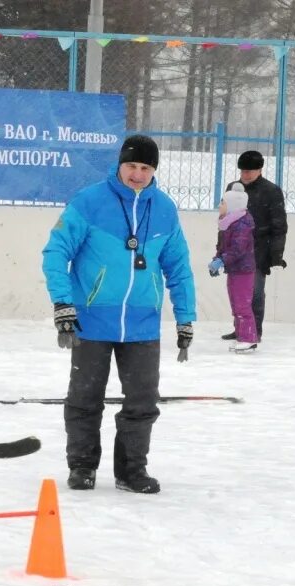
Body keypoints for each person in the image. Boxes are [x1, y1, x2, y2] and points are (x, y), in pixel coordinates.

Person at [42, 134, 196, 495]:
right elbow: (55, 252)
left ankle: (131, 470)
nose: (138, 174)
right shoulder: (90, 201)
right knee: (84, 398)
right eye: (132, 166)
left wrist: (185, 316)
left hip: (143, 323)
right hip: (92, 319)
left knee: (143, 402)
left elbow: (179, 267)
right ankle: (82, 466)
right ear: (119, 165)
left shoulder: (164, 209)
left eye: (146, 168)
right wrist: (63, 302)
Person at [222, 151, 288, 342]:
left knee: (255, 293)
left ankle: (254, 331)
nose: (245, 175)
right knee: (237, 293)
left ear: (260, 169)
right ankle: (240, 328)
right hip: (236, 250)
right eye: (242, 171)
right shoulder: (233, 189)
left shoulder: (271, 191)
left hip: (260, 250)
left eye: (249, 171)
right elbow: (226, 220)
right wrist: (222, 247)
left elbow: (279, 226)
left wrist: (276, 255)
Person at [209, 183, 258, 353]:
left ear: (232, 206)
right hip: (235, 269)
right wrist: (217, 260)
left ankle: (248, 338)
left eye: (222, 202)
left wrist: (221, 261)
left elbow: (237, 249)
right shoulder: (228, 222)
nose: (219, 206)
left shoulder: (242, 224)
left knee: (242, 304)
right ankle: (241, 333)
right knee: (236, 303)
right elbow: (224, 246)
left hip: (244, 270)